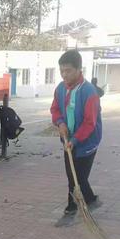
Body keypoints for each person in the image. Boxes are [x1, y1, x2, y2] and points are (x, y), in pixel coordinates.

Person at [50, 50, 102, 216]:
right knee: (72, 176)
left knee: (79, 176)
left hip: (87, 142)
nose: (64, 75)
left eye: (68, 71)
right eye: (62, 71)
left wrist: (76, 140)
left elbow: (89, 122)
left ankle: (87, 202)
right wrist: (60, 122)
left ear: (79, 69)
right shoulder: (60, 89)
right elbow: (55, 109)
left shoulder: (89, 92)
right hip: (67, 139)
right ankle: (74, 205)